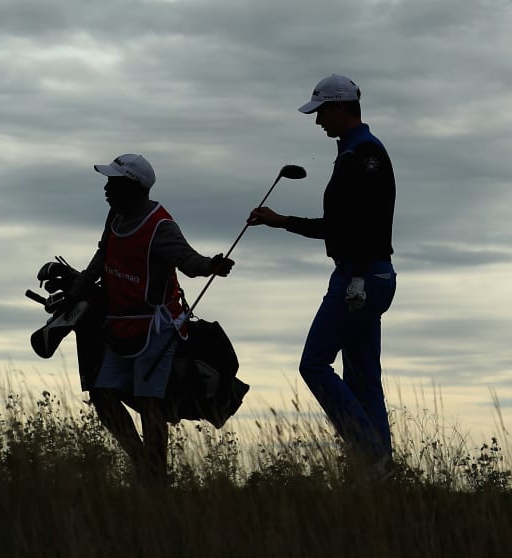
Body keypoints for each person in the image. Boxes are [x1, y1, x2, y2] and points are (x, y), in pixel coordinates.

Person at [248, 74, 398, 481]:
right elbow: (345, 225)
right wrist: (280, 223)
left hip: (361, 276)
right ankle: (381, 472)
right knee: (364, 378)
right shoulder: (355, 152)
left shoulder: (364, 155)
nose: (318, 122)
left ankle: (369, 455)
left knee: (314, 363)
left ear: (339, 108)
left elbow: (354, 226)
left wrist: (284, 224)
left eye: (321, 113)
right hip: (370, 275)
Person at [70, 153, 234, 483]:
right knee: (102, 395)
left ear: (133, 186)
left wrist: (212, 266)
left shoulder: (161, 225)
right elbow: (102, 256)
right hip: (120, 325)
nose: (105, 187)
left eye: (112, 181)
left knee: (150, 401)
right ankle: (144, 463)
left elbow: (188, 261)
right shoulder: (115, 215)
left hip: (156, 328)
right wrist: (77, 291)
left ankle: (155, 476)